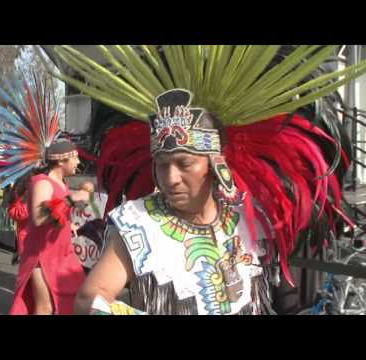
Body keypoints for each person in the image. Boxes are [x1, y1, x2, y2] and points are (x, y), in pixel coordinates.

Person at [49, 45, 362, 315]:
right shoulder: (139, 223)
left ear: (215, 164)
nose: (171, 178)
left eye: (184, 163)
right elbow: (90, 298)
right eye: (162, 165)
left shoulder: (247, 219)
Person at [0, 74, 91, 315]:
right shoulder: (41, 181)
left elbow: (56, 215)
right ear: (61, 160)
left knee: (70, 303)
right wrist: (76, 197)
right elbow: (41, 216)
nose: (78, 162)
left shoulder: (60, 183)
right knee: (45, 307)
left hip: (61, 253)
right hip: (42, 257)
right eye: (75, 158)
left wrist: (69, 224)